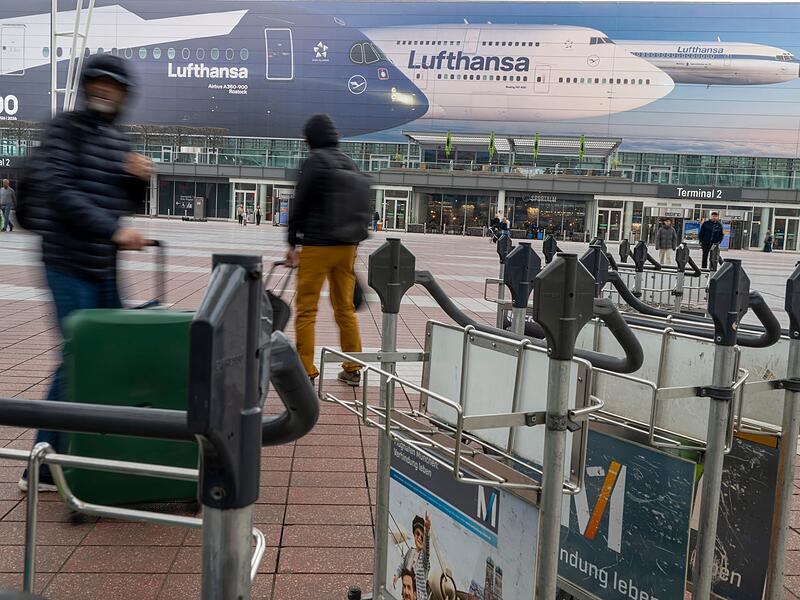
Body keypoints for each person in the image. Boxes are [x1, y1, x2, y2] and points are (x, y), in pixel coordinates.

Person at [18, 54, 152, 492]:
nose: (103, 89)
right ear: (84, 85)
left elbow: (122, 202)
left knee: (111, 356)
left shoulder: (117, 139)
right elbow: (58, 191)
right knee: (78, 355)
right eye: (96, 81)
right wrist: (113, 229)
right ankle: (40, 464)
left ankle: (91, 451)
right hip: (66, 261)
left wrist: (138, 180)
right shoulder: (64, 129)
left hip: (104, 266)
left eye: (112, 85)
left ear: (125, 94)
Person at [286, 114, 364, 386]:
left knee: (307, 309)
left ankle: (306, 371)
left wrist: (292, 242)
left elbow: (300, 204)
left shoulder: (314, 162)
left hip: (318, 246)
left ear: (311, 138)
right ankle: (352, 368)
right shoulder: (349, 163)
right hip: (347, 247)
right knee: (345, 309)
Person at [393, 513, 431, 599]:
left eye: (422, 537)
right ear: (414, 535)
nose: (419, 538)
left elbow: (427, 550)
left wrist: (427, 530)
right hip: (407, 595)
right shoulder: (410, 552)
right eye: (417, 534)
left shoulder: (424, 558)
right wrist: (396, 575)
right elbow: (402, 565)